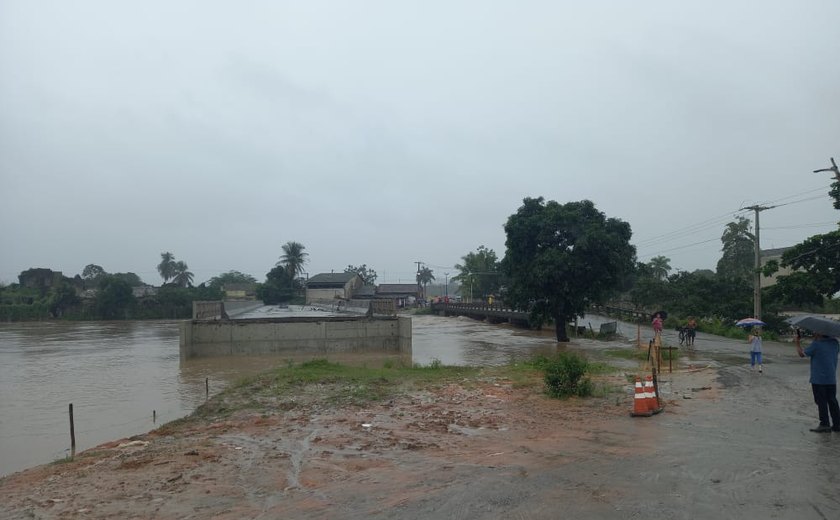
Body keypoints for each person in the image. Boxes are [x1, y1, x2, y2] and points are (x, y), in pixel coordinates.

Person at [795, 329, 840, 433]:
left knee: (821, 401)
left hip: (819, 379)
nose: (813, 333)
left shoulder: (816, 344)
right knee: (832, 401)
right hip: (831, 378)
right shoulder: (835, 343)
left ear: (820, 333)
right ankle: (837, 424)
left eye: (815, 332)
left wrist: (797, 342)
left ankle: (824, 424)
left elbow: (802, 354)